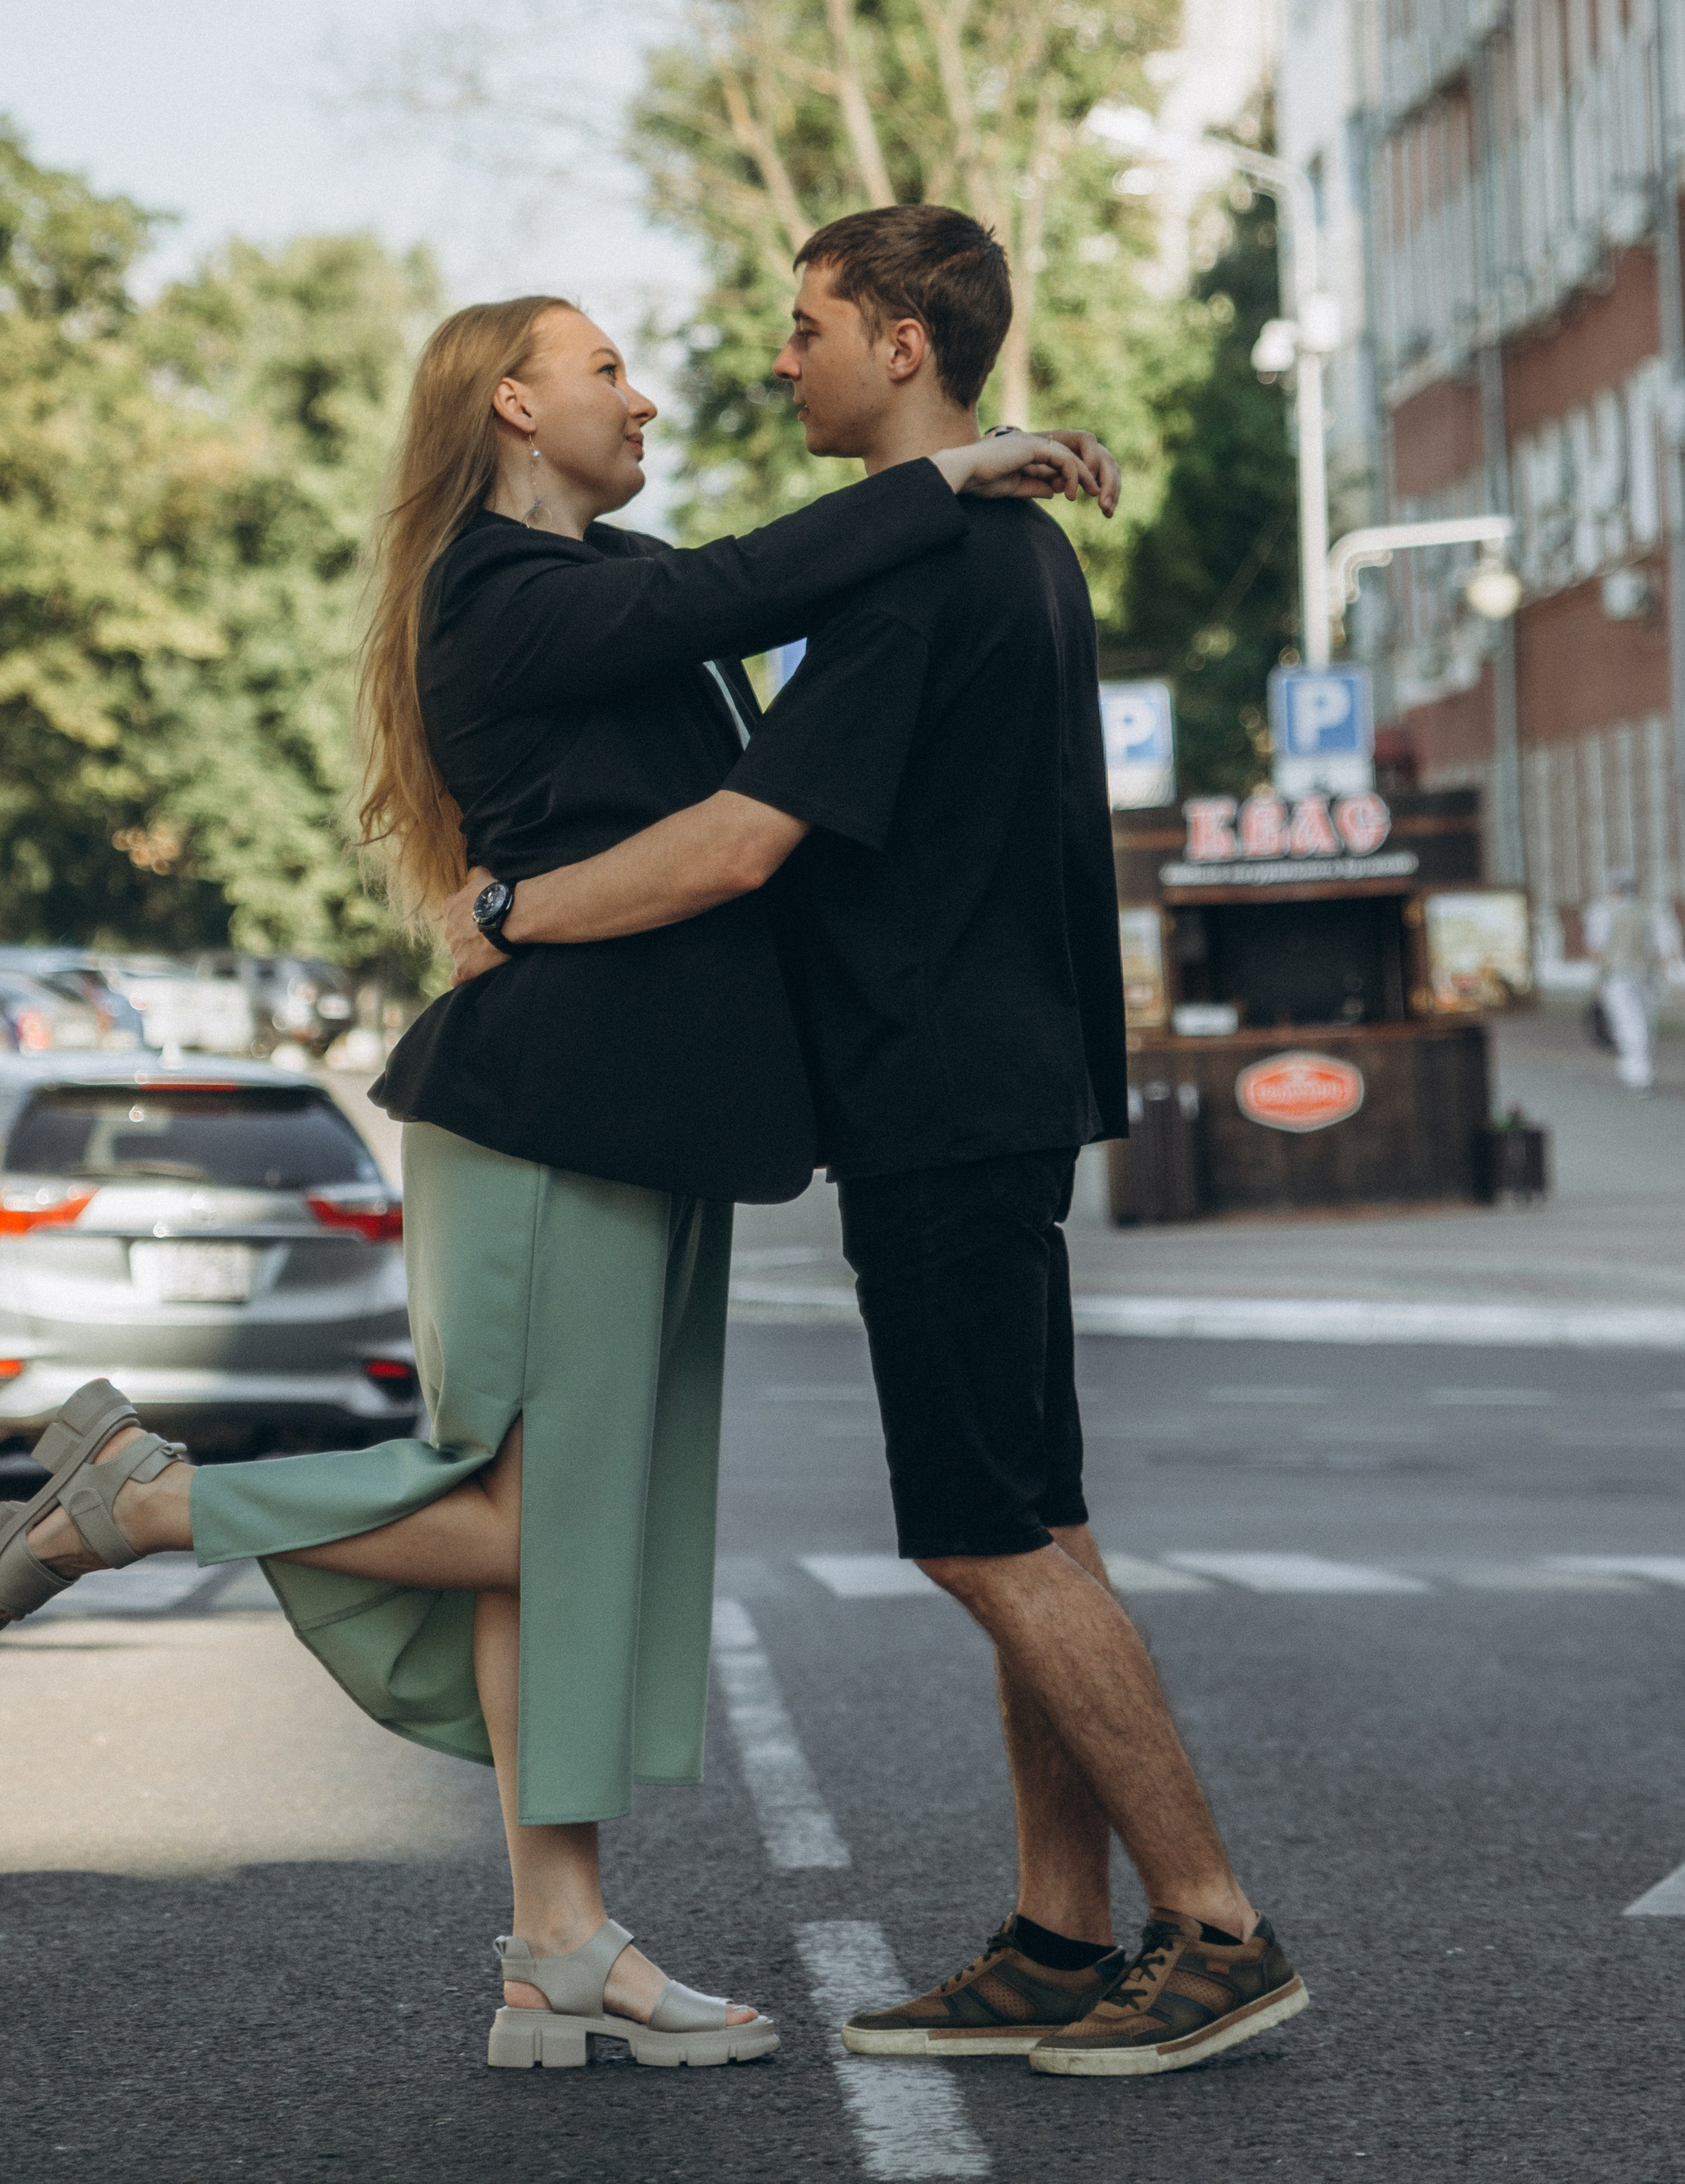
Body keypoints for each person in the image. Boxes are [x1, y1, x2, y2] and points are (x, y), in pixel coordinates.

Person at [0, 285, 1116, 2075]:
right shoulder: (494, 591)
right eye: (605, 372)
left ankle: (555, 1945)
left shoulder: (613, 584)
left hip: (642, 1120)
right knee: (528, 1517)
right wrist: (954, 473)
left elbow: (726, 610)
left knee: (548, 1532)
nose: (644, 402)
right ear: (509, 404)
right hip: (544, 1111)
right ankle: (152, 1503)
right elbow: (740, 601)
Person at [442, 206, 1308, 2082]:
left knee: (984, 1537)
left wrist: (508, 910)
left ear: (900, 345)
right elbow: (720, 602)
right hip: (998, 1080)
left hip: (934, 1094)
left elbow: (738, 842)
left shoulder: (920, 573)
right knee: (1036, 1518)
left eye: (807, 324)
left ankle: (1213, 1924)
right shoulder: (1008, 546)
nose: (780, 359)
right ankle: (1057, 1936)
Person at [1587, 867, 1661, 1094]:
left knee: (1629, 1024)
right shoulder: (1644, 910)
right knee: (1642, 1024)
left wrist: (1596, 980)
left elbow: (1596, 950)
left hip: (1618, 977)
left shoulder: (1603, 912)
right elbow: (1655, 948)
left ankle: (1637, 1075)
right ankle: (1639, 1072)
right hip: (1642, 976)